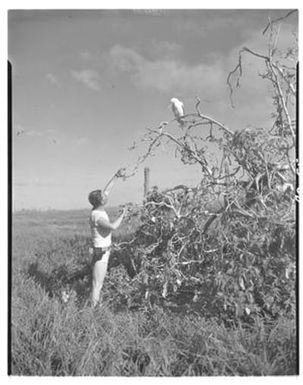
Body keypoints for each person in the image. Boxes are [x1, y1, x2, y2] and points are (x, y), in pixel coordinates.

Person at [88, 168, 127, 307]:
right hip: (101, 252)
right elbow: (112, 227)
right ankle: (91, 312)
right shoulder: (98, 216)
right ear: (101, 201)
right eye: (103, 196)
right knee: (97, 284)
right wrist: (122, 215)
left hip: (101, 250)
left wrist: (116, 175)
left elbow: (107, 189)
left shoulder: (98, 209)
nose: (106, 195)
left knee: (96, 282)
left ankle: (93, 307)